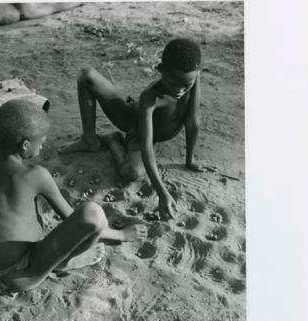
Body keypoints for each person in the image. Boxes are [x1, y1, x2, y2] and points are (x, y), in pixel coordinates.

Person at [0, 99, 147, 293]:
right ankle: (65, 262)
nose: (42, 148)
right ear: (25, 145)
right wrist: (121, 235)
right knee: (93, 213)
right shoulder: (34, 175)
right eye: (41, 143)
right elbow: (77, 221)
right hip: (20, 274)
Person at [59, 38, 207, 219]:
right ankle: (98, 140)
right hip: (132, 122)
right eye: (173, 83)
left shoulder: (192, 76)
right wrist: (162, 192)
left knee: (133, 170)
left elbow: (193, 120)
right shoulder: (151, 97)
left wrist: (189, 160)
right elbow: (146, 146)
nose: (180, 90)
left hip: (144, 118)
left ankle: (111, 139)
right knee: (131, 172)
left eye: (186, 85)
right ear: (160, 70)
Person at [0, 3, 82, 39]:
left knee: (54, 7)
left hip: (22, 13)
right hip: (14, 3)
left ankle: (80, 1)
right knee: (50, 4)